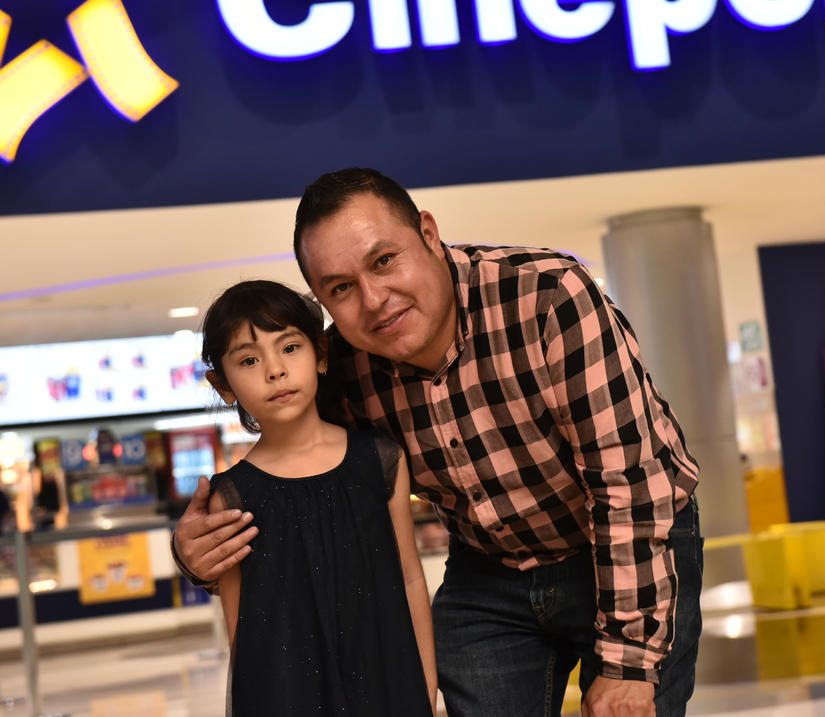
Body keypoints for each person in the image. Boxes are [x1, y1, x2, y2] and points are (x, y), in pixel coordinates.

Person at [173, 168, 703, 717]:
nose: (374, 300)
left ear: (428, 233)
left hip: (621, 540)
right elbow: (298, 501)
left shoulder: (546, 296)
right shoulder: (338, 367)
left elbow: (630, 486)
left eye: (384, 261)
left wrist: (628, 665)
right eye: (341, 288)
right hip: (489, 563)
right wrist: (198, 557)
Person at [196, 279, 436, 715]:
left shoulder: (380, 459)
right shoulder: (232, 497)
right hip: (288, 699)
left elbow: (410, 579)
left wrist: (427, 688)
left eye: (290, 348)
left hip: (388, 683)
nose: (275, 370)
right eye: (249, 360)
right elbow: (241, 629)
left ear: (321, 354)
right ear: (223, 384)